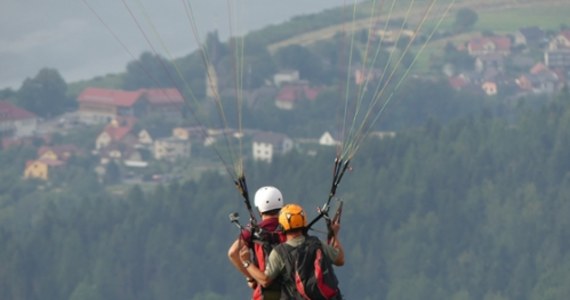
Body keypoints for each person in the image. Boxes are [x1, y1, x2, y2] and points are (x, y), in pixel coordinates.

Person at [239, 203, 345, 299]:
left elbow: (265, 281)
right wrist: (334, 233)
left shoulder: (280, 252)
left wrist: (246, 262)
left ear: (282, 226)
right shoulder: (316, 243)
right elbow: (340, 260)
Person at [228, 186, 286, 300]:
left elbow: (233, 253)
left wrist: (251, 277)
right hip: (291, 292)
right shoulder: (291, 227)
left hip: (264, 293)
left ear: (259, 209)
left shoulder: (253, 231)